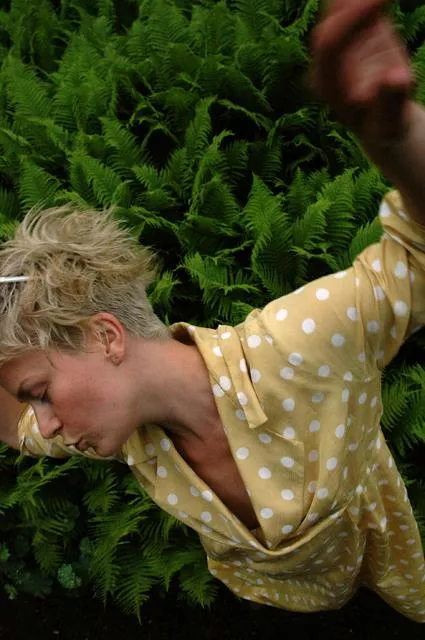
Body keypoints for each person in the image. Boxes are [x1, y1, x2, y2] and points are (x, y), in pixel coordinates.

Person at [0, 0, 424, 623]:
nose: (47, 427)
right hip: (269, 606)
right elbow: (14, 425)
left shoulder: (299, 347)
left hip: (394, 586)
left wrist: (397, 135)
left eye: (40, 394)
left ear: (106, 336)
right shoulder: (124, 430)